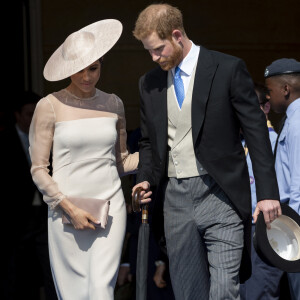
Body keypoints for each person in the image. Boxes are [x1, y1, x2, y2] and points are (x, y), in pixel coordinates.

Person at [131, 3, 281, 299]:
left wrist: (266, 193)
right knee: (188, 291)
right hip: (175, 199)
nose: (153, 57)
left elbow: (257, 134)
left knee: (225, 289)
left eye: (158, 49)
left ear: (177, 35)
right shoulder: (149, 84)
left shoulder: (226, 68)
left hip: (221, 194)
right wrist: (145, 178)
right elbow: (149, 142)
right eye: (148, 51)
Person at [28, 19, 139, 300]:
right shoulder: (49, 105)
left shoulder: (114, 103)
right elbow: (39, 169)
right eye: (79, 70)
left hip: (110, 208)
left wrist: (167, 152)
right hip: (65, 211)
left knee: (102, 290)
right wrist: (68, 208)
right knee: (75, 293)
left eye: (94, 68)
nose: (87, 76)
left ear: (101, 64)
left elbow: (121, 162)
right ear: (68, 69)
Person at [1, 91, 57, 300]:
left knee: (50, 271)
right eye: (29, 113)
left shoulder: (50, 140)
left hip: (44, 216)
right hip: (15, 220)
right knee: (16, 275)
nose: (34, 119)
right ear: (17, 115)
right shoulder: (4, 141)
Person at [239, 83, 284, 300]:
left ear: (265, 108)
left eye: (250, 106)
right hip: (241, 230)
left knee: (261, 292)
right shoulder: (238, 143)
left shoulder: (276, 143)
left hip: (266, 230)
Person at [264, 58, 300, 300]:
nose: (268, 97)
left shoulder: (297, 123)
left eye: (269, 91)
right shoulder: (291, 119)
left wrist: (294, 233)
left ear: (285, 89)